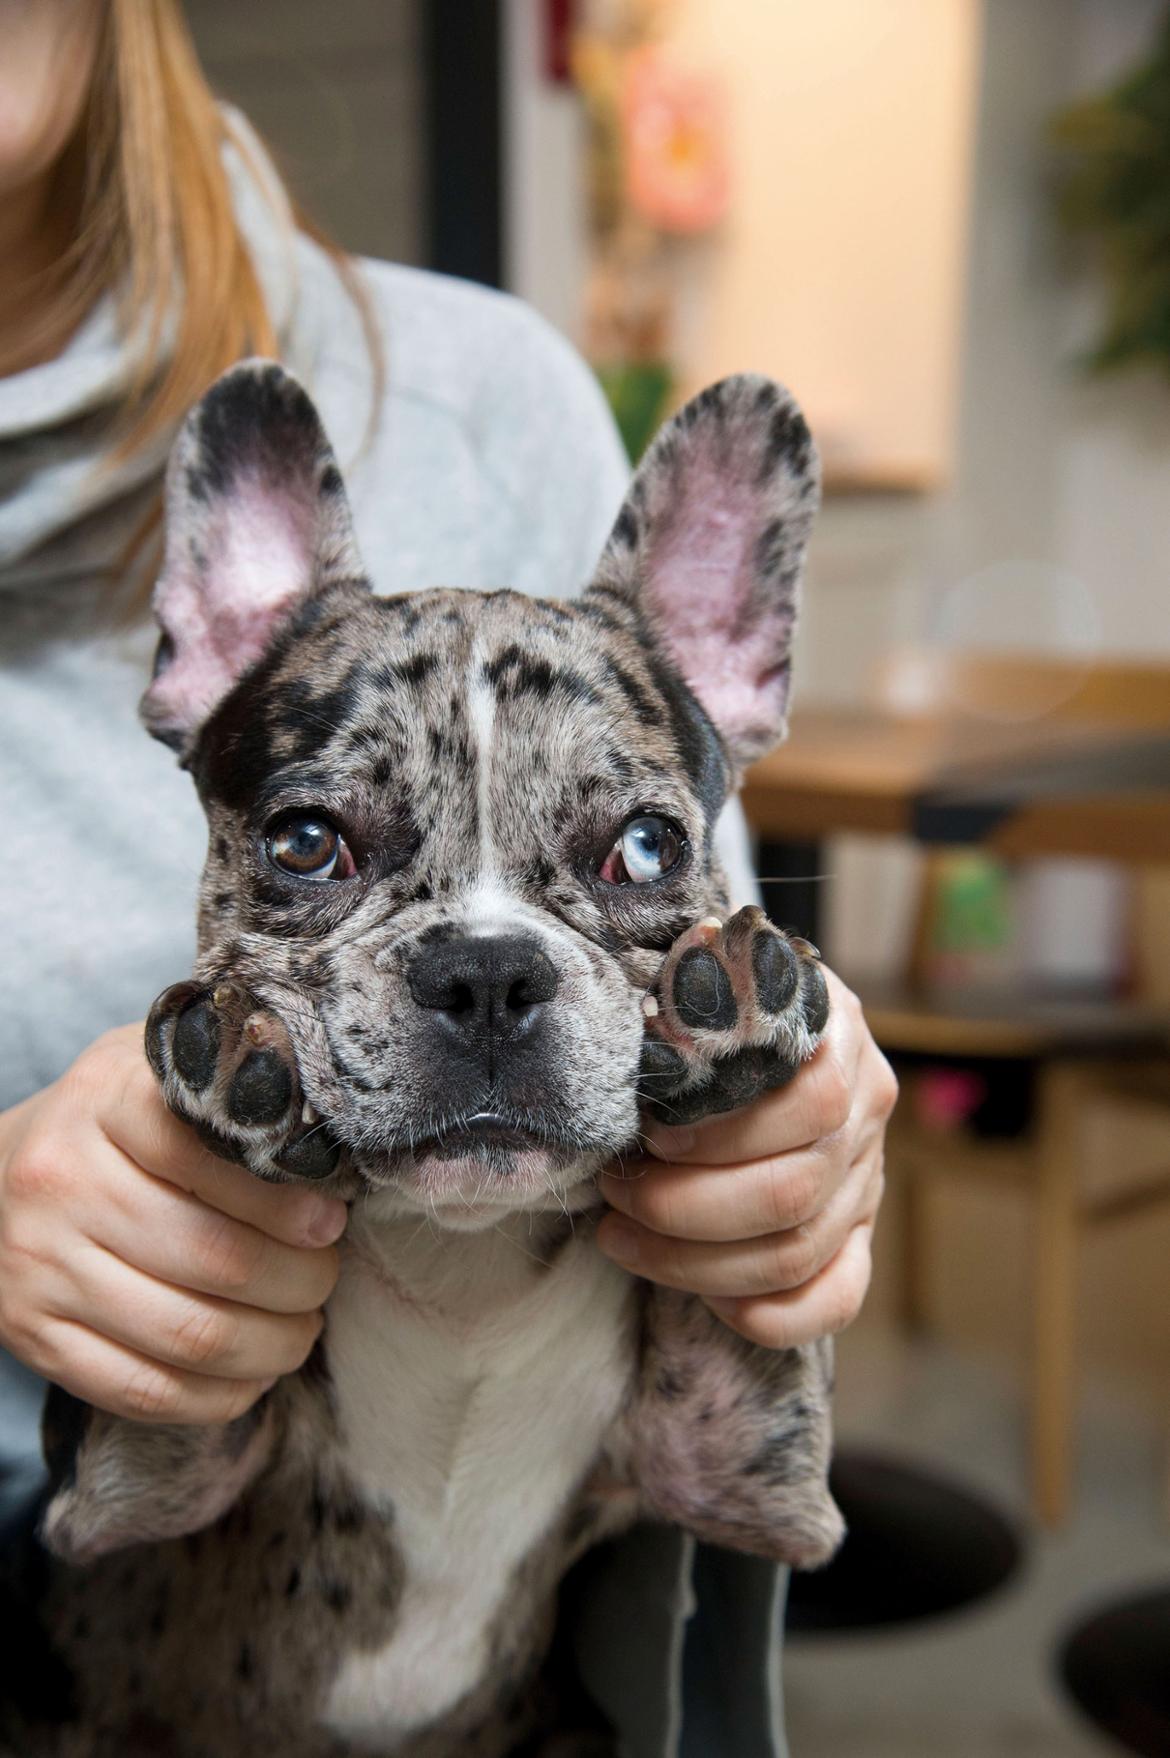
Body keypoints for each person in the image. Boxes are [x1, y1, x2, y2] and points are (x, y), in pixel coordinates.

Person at [0, 2, 896, 1751]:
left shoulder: (490, 394)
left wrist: (800, 1150)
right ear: (200, 657)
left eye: (633, 848)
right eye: (325, 843)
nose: (483, 964)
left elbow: (748, 1461)